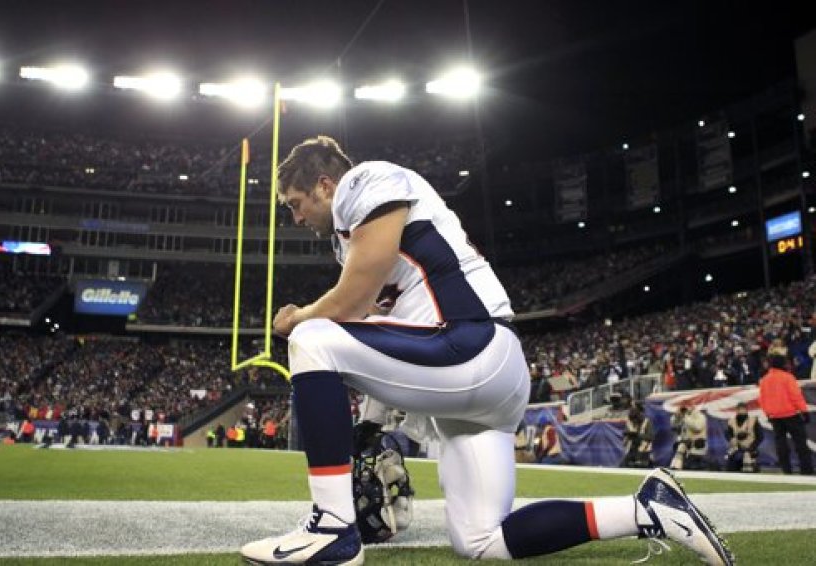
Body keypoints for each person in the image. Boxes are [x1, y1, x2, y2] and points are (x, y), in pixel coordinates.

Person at [239, 136, 733, 565]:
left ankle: (331, 528)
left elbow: (357, 297)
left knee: (312, 339)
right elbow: (379, 327)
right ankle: (648, 508)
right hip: (482, 380)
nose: (296, 215)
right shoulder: (351, 236)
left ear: (326, 185)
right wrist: (369, 424)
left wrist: (300, 316)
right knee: (482, 538)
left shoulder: (366, 180)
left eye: (295, 202)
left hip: (467, 343)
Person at [757, 341, 813, 475]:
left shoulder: (764, 380)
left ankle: (786, 470)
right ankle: (806, 470)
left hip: (775, 416)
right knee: (800, 443)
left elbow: (762, 400)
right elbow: (796, 396)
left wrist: (768, 413)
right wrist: (804, 411)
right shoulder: (788, 377)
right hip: (791, 414)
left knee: (781, 444)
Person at [724, 402, 762, 473]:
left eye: (743, 409)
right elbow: (727, 433)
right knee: (729, 463)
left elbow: (760, 437)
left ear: (746, 410)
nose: (741, 411)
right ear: (736, 410)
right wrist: (730, 439)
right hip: (736, 448)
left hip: (750, 448)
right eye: (739, 409)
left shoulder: (753, 420)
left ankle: (753, 468)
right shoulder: (731, 421)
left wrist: (752, 447)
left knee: (747, 463)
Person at [670, 405, 708, 471]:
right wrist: (676, 416)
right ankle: (675, 469)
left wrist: (686, 417)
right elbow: (674, 426)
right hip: (685, 447)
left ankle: (676, 468)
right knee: (680, 449)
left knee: (691, 469)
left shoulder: (700, 416)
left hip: (696, 449)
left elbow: (697, 427)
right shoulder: (685, 416)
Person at [622, 404, 654, 468]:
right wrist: (628, 434)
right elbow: (625, 432)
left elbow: (651, 437)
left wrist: (637, 435)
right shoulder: (630, 422)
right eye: (632, 419)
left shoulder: (647, 422)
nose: (634, 421)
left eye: (635, 419)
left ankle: (644, 462)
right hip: (632, 447)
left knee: (645, 444)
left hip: (643, 448)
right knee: (623, 465)